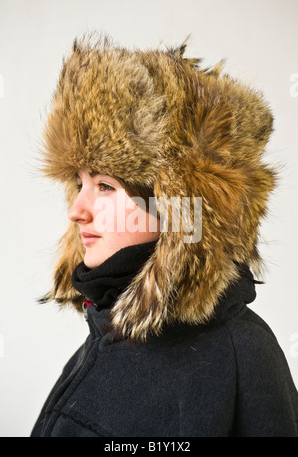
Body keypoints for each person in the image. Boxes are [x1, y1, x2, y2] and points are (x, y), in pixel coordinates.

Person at [31, 33, 298, 437]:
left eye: (105, 186)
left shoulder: (243, 354)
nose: (77, 211)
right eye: (79, 183)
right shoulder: (108, 328)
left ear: (178, 206)